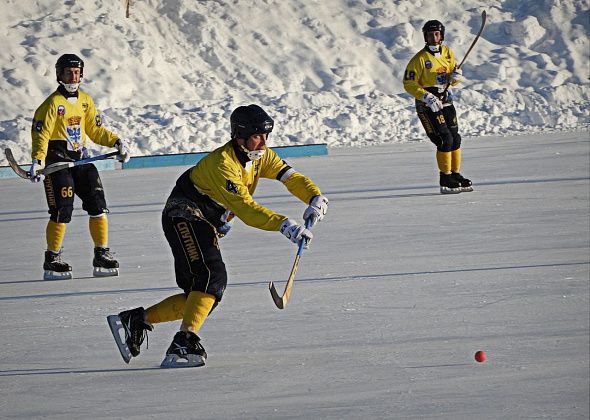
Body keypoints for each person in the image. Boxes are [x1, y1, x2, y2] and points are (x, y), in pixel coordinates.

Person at [107, 104, 329, 368]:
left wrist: (314, 196)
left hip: (203, 222)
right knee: (212, 277)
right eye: (258, 136)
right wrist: (285, 225)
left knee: (203, 295)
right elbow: (246, 209)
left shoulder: (260, 155)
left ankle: (136, 320)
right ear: (240, 137)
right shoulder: (223, 164)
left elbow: (291, 178)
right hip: (184, 215)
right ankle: (183, 342)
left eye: (266, 136)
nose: (264, 142)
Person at [30, 53, 130, 280]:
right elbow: (41, 134)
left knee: (98, 205)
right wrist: (37, 160)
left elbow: (95, 131)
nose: (73, 76)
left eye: (76, 72)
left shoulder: (85, 100)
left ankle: (101, 253)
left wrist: (116, 141)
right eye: (68, 72)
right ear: (59, 75)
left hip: (80, 159)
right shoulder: (52, 104)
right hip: (57, 161)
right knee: (62, 209)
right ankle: (52, 257)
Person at [403, 20, 474, 194]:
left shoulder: (448, 52)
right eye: (430, 34)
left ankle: (455, 174)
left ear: (442, 35)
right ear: (425, 37)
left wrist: (456, 77)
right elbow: (408, 83)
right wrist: (426, 96)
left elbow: (452, 79)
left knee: (455, 138)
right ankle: (445, 177)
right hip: (428, 104)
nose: (434, 38)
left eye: (436, 34)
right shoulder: (419, 59)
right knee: (444, 139)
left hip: (446, 100)